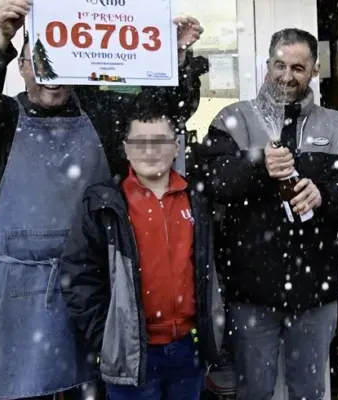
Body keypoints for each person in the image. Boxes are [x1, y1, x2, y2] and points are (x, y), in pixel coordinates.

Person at [0, 0, 204, 398]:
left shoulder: (101, 114)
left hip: (93, 285)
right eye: (38, 63)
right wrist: (1, 39)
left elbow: (162, 113)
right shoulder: (3, 118)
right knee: (26, 390)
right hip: (23, 291)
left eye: (59, 64)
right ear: (21, 68)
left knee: (94, 388)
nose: (50, 76)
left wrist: (176, 56)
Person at [198, 28, 338, 399]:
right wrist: (258, 166)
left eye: (298, 67)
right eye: (280, 65)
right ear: (267, 65)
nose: (286, 76)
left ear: (314, 70)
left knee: (309, 391)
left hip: (315, 292)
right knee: (254, 392)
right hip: (251, 292)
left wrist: (326, 195)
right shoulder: (233, 118)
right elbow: (214, 182)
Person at [60, 91, 223, 400]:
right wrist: (108, 337)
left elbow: (212, 270)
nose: (149, 151)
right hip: (132, 354)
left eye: (160, 141)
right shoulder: (105, 204)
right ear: (126, 148)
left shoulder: (197, 200)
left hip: (187, 351)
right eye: (139, 142)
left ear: (176, 147)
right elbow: (78, 277)